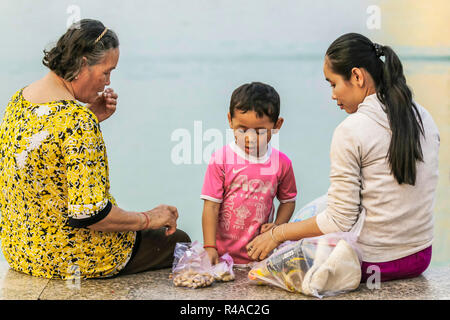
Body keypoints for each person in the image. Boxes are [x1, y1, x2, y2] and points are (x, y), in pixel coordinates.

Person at [0, 19, 190, 280]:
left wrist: (90, 116)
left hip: (21, 250)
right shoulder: (77, 122)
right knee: (178, 240)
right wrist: (150, 218)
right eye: (106, 71)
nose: (108, 81)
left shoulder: (19, 100)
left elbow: (41, 155)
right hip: (70, 257)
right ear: (83, 63)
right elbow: (92, 215)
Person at [246, 33, 440, 282]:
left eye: (333, 84)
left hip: (372, 263)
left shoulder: (351, 130)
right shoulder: (423, 116)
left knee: (301, 227)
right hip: (419, 258)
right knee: (326, 202)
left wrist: (278, 234)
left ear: (357, 77)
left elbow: (339, 220)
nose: (332, 95)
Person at [201, 82, 297, 266]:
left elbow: (288, 201)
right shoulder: (221, 159)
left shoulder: (282, 163)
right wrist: (209, 246)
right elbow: (211, 206)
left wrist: (277, 226)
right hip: (223, 257)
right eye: (242, 129)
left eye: (260, 131)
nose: (250, 138)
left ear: (277, 125)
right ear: (230, 120)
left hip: (260, 256)